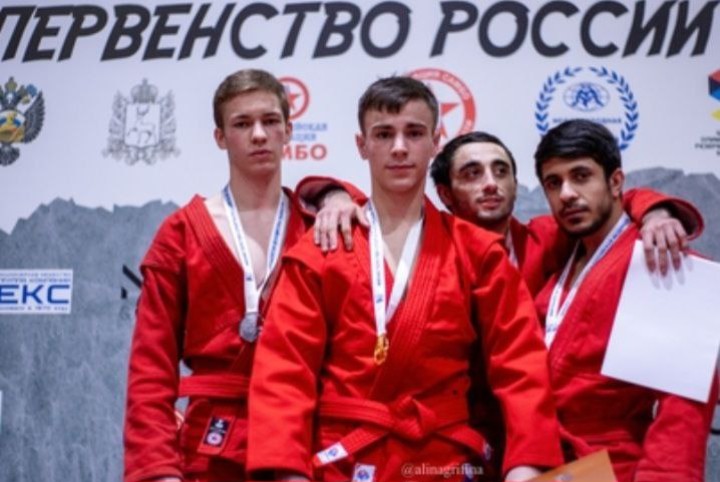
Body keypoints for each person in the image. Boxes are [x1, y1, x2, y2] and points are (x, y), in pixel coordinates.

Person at [246, 76, 564, 482]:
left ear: (435, 142)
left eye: (414, 133)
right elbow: (284, 372)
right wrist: (288, 473)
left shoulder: (478, 252)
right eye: (384, 134)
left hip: (445, 463)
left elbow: (521, 366)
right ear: (362, 145)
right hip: (345, 461)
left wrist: (526, 465)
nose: (399, 147)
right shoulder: (319, 252)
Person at [122, 69, 362, 482]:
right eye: (242, 124)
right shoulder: (181, 233)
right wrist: (158, 470)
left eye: (270, 121)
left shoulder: (320, 227)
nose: (259, 135)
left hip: (307, 441)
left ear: (289, 131)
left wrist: (339, 194)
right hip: (211, 449)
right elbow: (150, 370)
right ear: (220, 137)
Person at [533, 119, 718, 481]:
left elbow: (683, 408)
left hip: (616, 466)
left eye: (581, 176)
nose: (567, 193)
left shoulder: (662, 257)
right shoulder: (561, 250)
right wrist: (653, 205)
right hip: (547, 460)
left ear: (616, 181)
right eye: (553, 183)